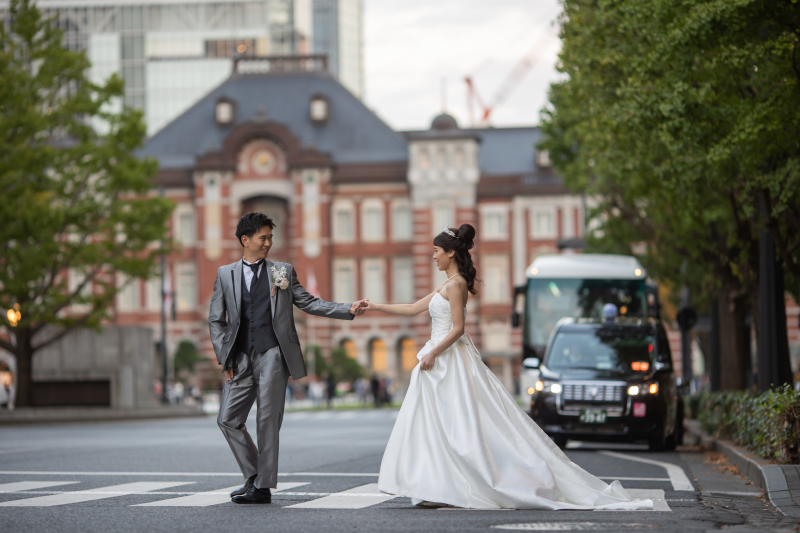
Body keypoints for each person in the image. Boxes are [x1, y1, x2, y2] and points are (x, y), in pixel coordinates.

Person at [366, 224, 652, 510]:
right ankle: (443, 485)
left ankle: (466, 487)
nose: (433, 257)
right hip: (439, 361)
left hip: (448, 360)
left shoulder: (457, 285)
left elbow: (458, 329)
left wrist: (433, 354)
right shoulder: (445, 284)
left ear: (451, 252)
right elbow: (414, 308)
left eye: (437, 251)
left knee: (460, 425)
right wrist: (374, 306)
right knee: (438, 425)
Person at [209, 212, 368, 504]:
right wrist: (226, 357)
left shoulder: (281, 271)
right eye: (263, 237)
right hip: (241, 357)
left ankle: (262, 488)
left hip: (273, 353)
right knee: (228, 419)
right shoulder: (225, 274)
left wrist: (347, 308)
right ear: (245, 240)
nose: (269, 242)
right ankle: (255, 476)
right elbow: (216, 320)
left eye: (271, 237)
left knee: (267, 420)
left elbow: (308, 301)